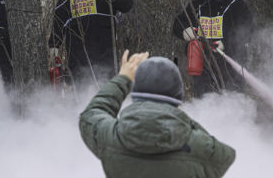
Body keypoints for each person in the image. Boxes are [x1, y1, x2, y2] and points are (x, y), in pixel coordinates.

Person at [79, 50, 236, 178]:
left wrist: (123, 78)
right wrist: (178, 115)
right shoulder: (197, 146)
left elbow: (91, 114)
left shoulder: (112, 137)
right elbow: (226, 156)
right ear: (177, 97)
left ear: (135, 93)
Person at [48, 0, 133, 85]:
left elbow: (128, 4)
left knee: (105, 94)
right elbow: (59, 18)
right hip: (77, 57)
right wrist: (54, 44)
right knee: (79, 96)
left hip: (105, 56)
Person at [173, 0, 253, 96]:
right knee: (204, 102)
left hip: (230, 67)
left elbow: (246, 30)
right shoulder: (196, 6)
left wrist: (225, 43)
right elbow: (178, 23)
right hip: (202, 66)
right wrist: (185, 31)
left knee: (232, 101)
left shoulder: (236, 5)